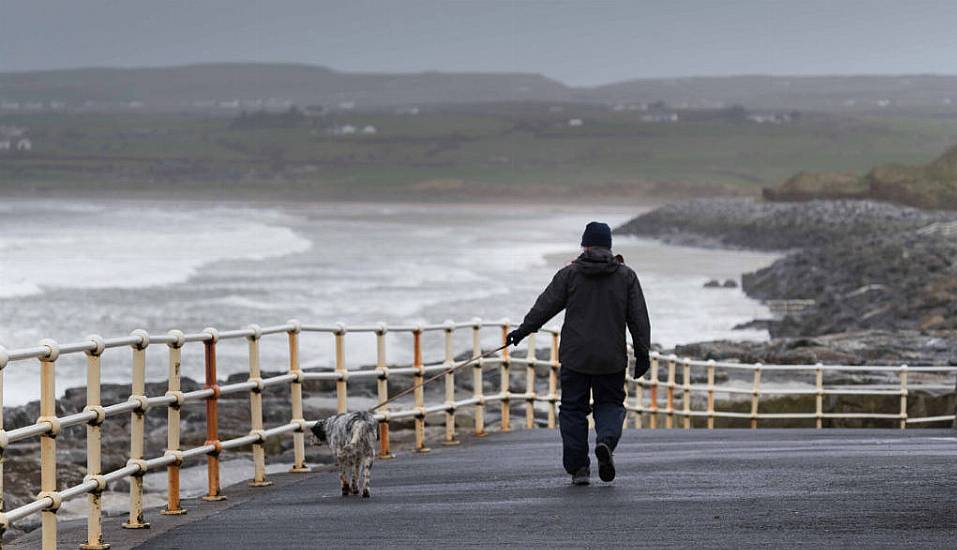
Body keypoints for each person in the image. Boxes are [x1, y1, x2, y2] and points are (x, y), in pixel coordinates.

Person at [506, 221, 651, 485]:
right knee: (610, 405)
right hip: (611, 358)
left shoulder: (570, 274)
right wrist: (643, 354)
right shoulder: (626, 276)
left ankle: (579, 470)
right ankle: (605, 442)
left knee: (573, 410)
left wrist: (522, 331)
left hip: (576, 357)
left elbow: (545, 306)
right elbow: (639, 319)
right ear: (608, 246)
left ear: (585, 245)